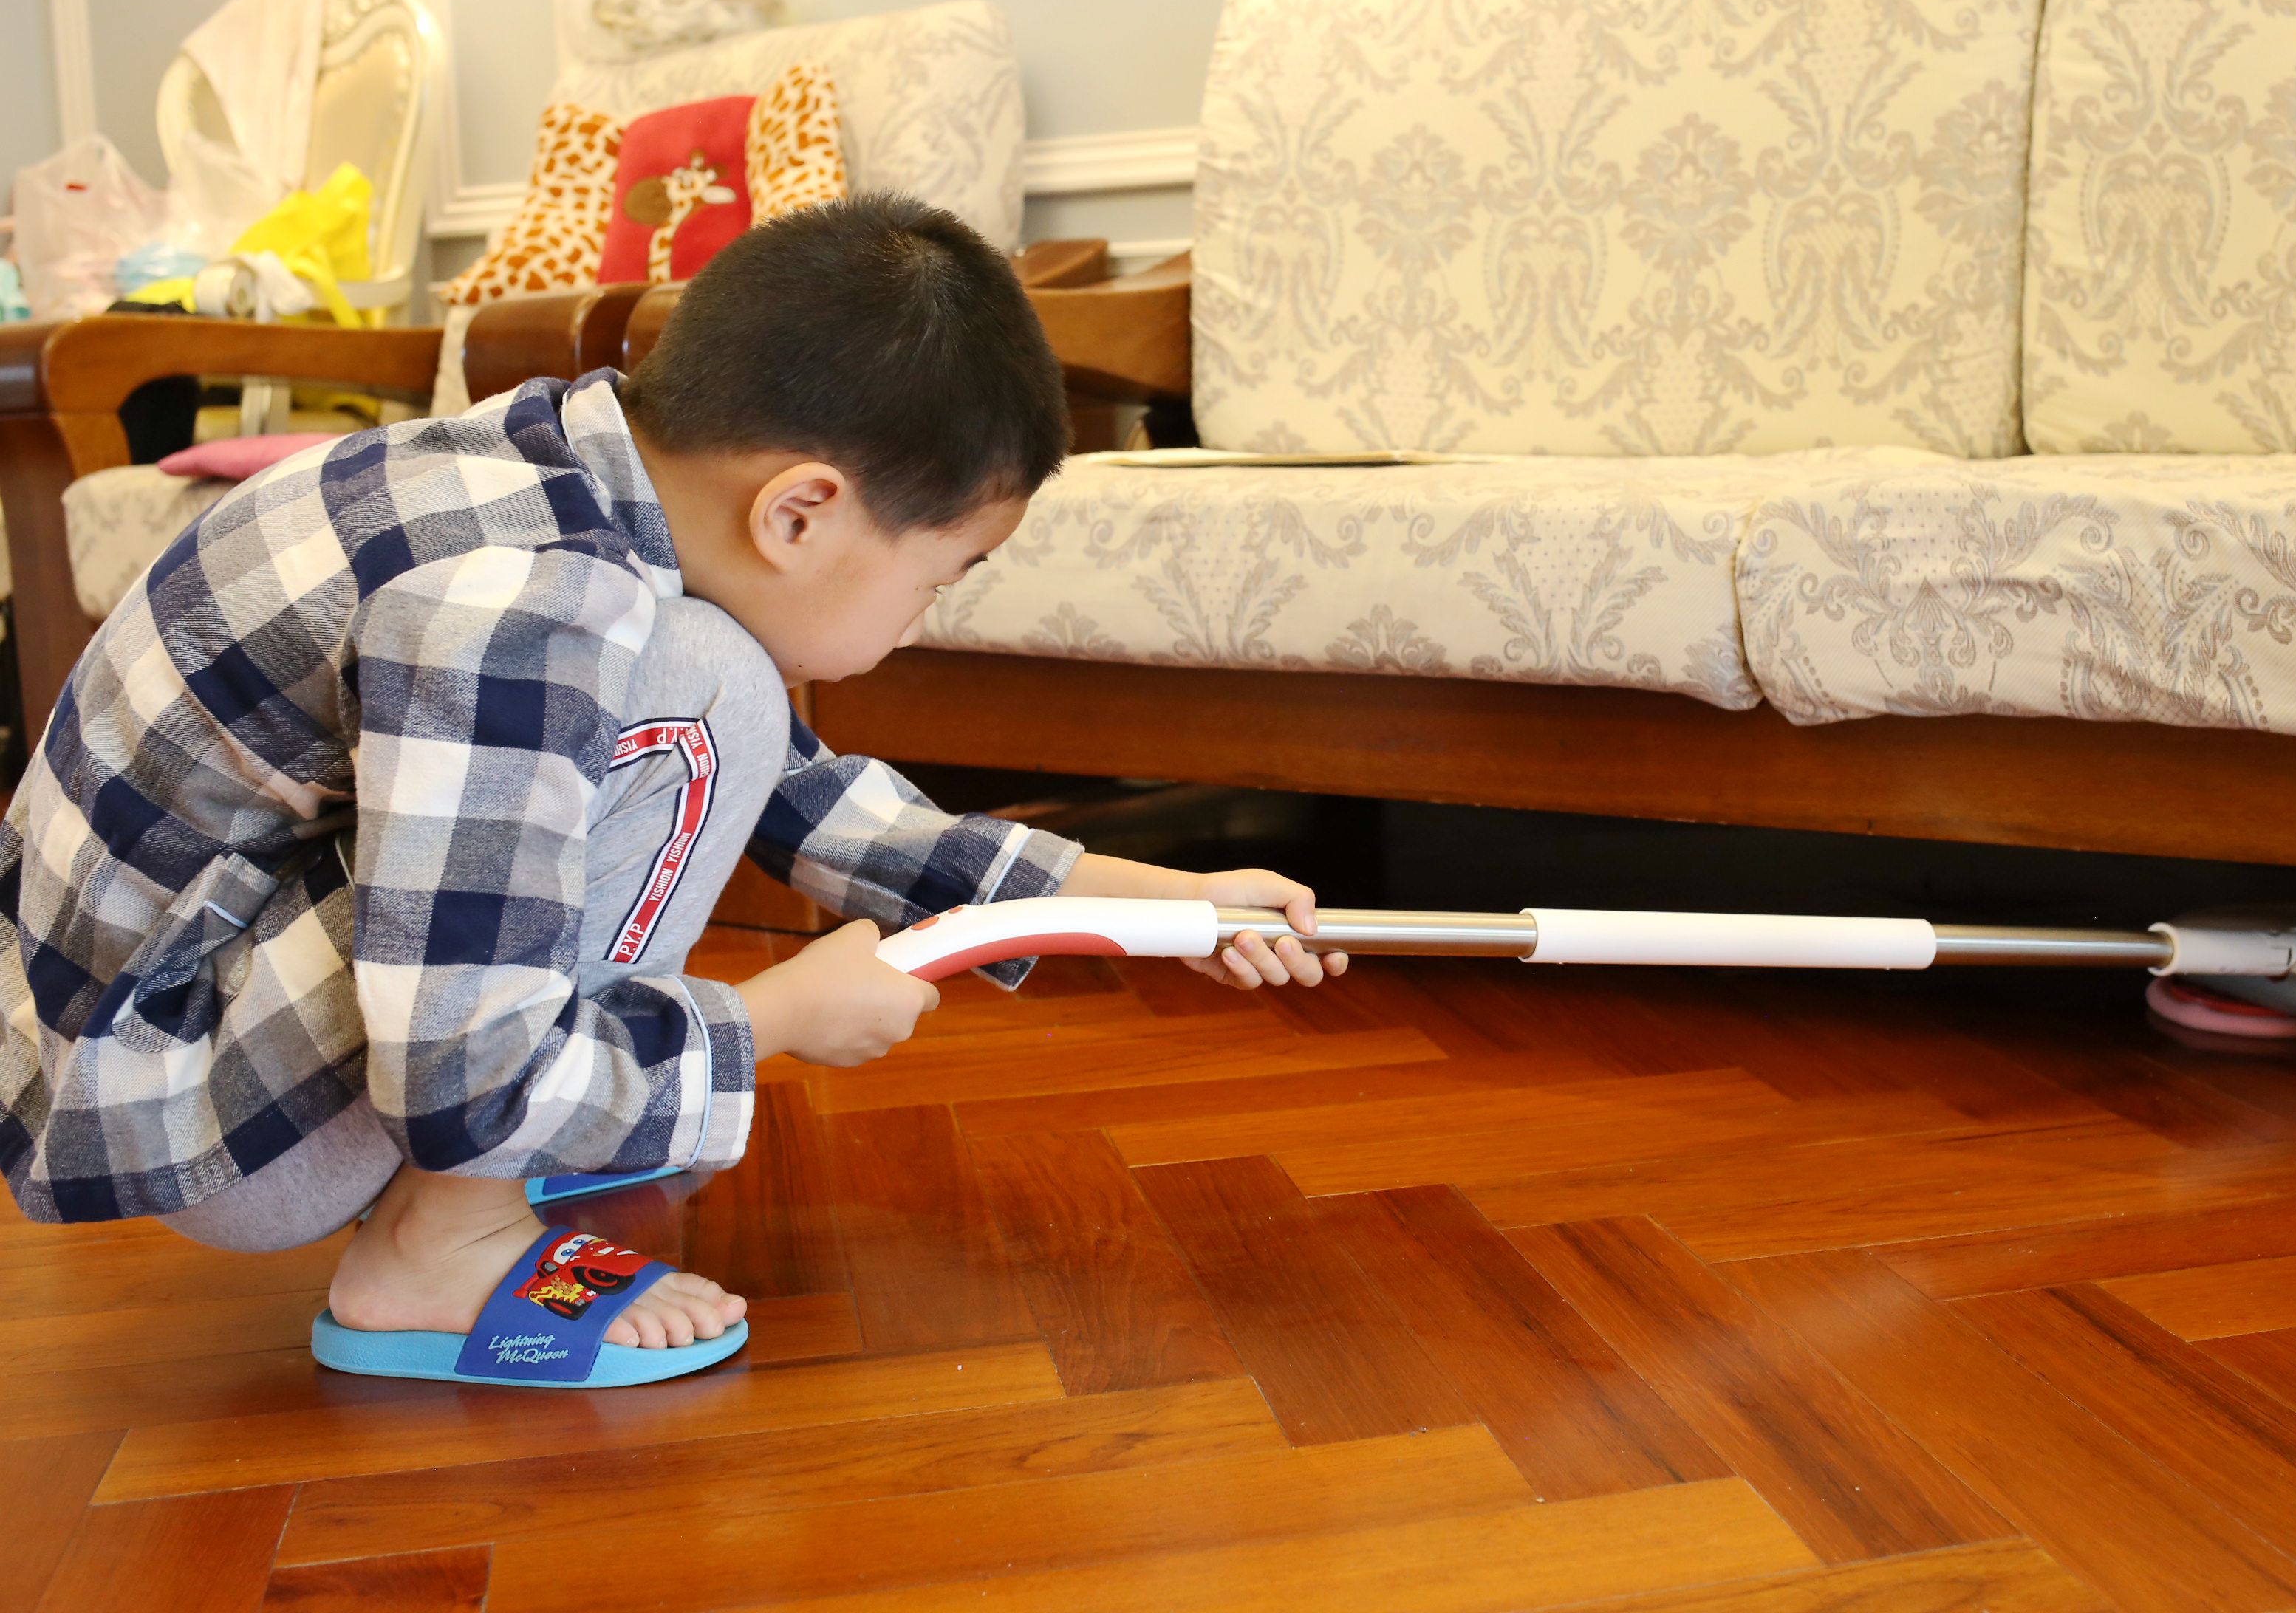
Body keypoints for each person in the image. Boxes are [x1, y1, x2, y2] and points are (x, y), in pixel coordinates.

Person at [0, 193, 1349, 1389]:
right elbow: (462, 1076)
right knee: (705, 701)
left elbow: (815, 805)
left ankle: (485, 1181)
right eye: (937, 579)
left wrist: (1163, 901)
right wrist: (769, 1020)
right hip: (175, 1111)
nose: (926, 618)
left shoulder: (575, 470)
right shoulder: (517, 607)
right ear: (799, 512)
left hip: (168, 1023)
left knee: (716, 692)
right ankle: (439, 1246)